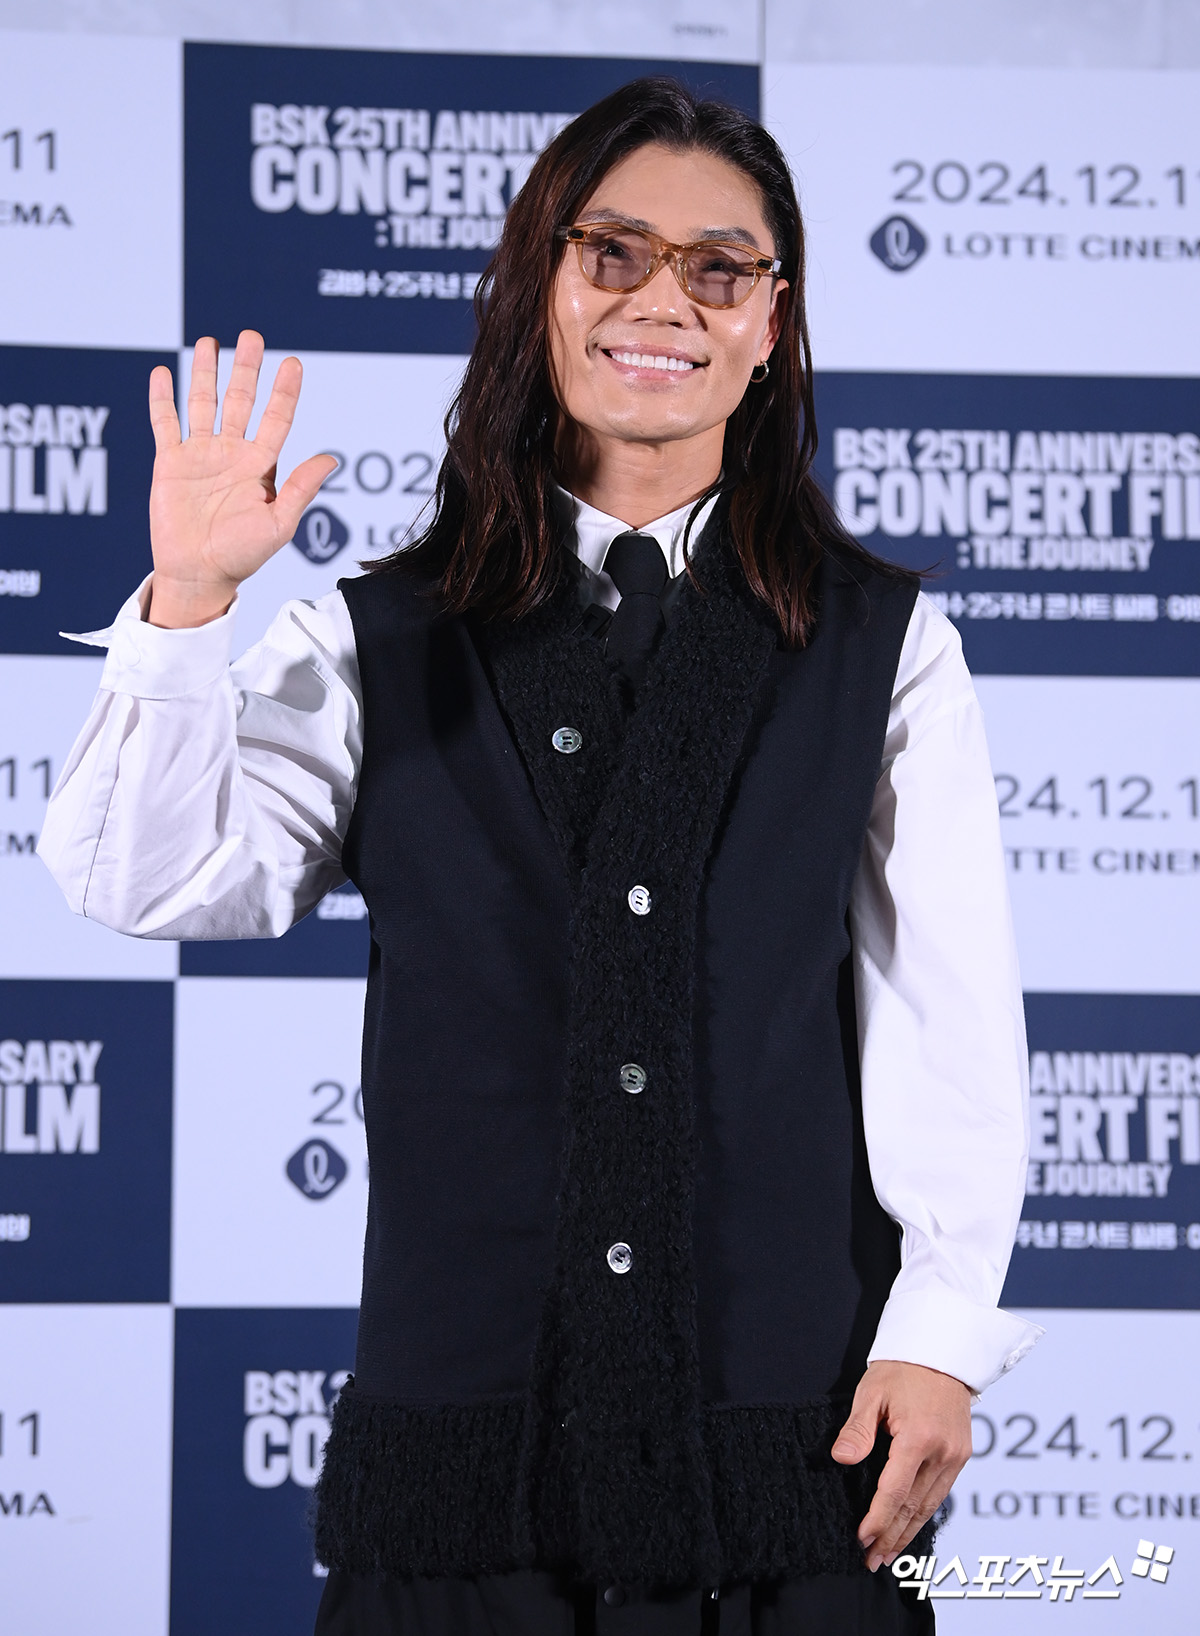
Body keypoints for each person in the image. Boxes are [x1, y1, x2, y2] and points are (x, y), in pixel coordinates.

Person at [39, 78, 1039, 1635]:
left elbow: (948, 1015)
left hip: (794, 1464)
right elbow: (148, 879)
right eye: (614, 252)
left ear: (771, 323)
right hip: (457, 1489)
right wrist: (184, 607)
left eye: (722, 268)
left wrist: (942, 1330)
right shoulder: (369, 636)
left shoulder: (885, 645)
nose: (665, 302)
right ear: (539, 284)